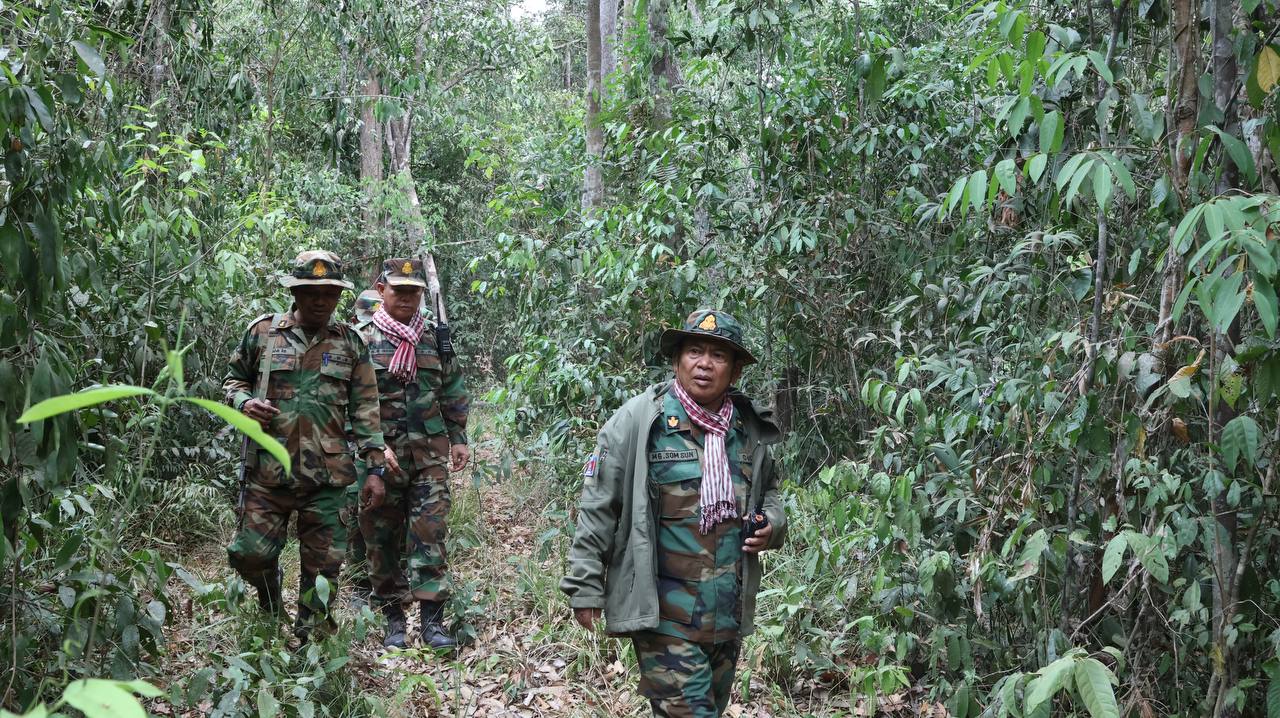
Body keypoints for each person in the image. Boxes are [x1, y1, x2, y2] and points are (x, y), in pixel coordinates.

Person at [560, 309, 786, 717]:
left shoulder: (746, 429)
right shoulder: (640, 421)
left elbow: (768, 491)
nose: (704, 364)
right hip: (663, 617)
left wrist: (773, 523)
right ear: (677, 360)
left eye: (718, 355)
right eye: (695, 351)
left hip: (726, 616)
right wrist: (585, 585)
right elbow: (598, 506)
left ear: (735, 371)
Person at [223, 250, 387, 641]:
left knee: (323, 570)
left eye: (330, 293)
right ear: (294, 293)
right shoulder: (263, 333)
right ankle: (270, 598)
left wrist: (375, 468)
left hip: (328, 477)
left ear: (339, 296)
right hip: (268, 471)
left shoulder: (350, 343)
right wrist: (244, 403)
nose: (320, 300)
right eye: (311, 292)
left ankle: (310, 644)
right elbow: (233, 381)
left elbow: (366, 407)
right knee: (249, 554)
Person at [355, 258, 470, 651]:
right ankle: (393, 620)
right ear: (381, 289)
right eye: (398, 289)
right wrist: (372, 446)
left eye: (413, 291)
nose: (406, 297)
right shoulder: (361, 340)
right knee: (381, 539)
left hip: (429, 456)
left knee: (430, 534)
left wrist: (459, 436)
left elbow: (452, 387)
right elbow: (349, 404)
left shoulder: (434, 338)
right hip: (379, 460)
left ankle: (433, 623)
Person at [341, 288, 386, 610]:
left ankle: (383, 578)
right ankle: (360, 581)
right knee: (358, 512)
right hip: (354, 441)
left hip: (383, 440)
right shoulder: (349, 343)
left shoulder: (399, 341)